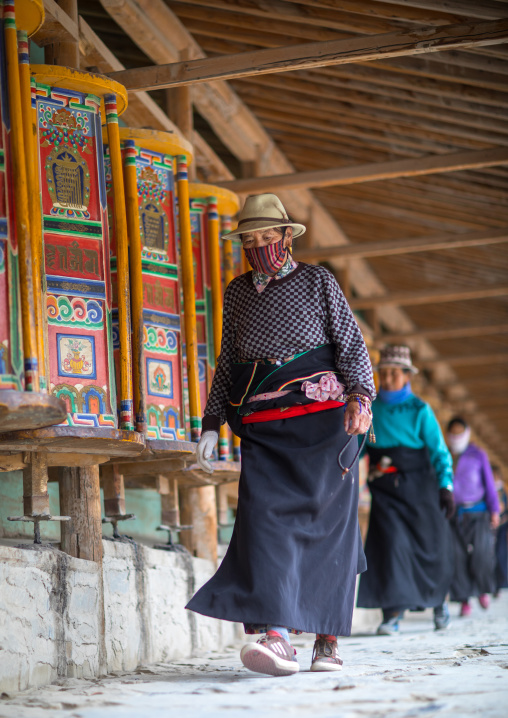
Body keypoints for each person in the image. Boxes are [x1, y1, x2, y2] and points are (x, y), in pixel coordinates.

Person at [186, 193, 376, 676]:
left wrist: (361, 398)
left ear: (287, 236)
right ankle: (276, 635)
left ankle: (327, 641)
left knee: (327, 530)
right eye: (249, 239)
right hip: (263, 428)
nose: (259, 245)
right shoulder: (237, 292)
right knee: (263, 522)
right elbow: (228, 361)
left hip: (325, 425)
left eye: (268, 236)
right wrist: (211, 422)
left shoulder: (318, 281)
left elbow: (351, 344)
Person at [357, 346, 455, 635]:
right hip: (386, 491)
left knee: (430, 547)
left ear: (406, 376)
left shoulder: (419, 410)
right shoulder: (369, 408)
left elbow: (440, 451)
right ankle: (393, 614)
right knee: (391, 547)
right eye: (383, 373)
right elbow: (358, 446)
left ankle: (439, 603)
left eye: (393, 374)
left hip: (421, 490)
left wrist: (446, 486)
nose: (386, 379)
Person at [446, 417, 500, 615]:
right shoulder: (445, 455)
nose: (456, 437)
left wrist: (495, 510)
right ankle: (464, 600)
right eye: (453, 433)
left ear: (467, 433)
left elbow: (489, 484)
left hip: (478, 512)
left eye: (460, 432)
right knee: (457, 557)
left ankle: (482, 590)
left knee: (482, 554)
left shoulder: (478, 454)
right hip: (454, 513)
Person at [492, 465, 508, 596]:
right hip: (491, 529)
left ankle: (502, 584)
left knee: (501, 555)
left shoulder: (504, 492)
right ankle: (493, 584)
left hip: (502, 530)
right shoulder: (489, 491)